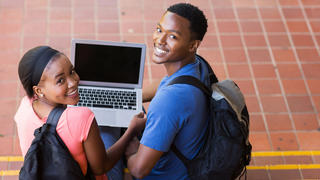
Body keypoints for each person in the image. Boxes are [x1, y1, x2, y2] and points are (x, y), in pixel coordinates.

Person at [14, 46, 146, 179]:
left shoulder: (24, 108)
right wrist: (131, 131)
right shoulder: (82, 117)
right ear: (38, 91)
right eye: (60, 80)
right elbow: (101, 168)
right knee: (110, 130)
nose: (74, 81)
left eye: (72, 71)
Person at [126, 3, 210, 180]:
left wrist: (130, 143)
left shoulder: (169, 101)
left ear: (192, 45)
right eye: (159, 29)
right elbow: (166, 83)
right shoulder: (198, 65)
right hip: (190, 160)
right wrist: (128, 97)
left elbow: (139, 171)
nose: (160, 40)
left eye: (172, 36)